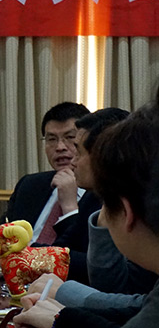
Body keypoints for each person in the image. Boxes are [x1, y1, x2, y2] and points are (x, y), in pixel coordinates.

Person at [13, 92, 159, 327]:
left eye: (77, 149)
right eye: (51, 139)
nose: (71, 159)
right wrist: (61, 316)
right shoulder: (32, 184)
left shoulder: (128, 205)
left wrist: (62, 314)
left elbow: (127, 293)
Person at [51, 108, 130, 284]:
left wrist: (65, 293)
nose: (73, 162)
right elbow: (61, 250)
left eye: (79, 152)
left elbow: (133, 292)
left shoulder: (140, 205)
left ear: (104, 155)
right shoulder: (93, 196)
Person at [0, 102, 90, 244]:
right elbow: (0, 238)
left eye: (70, 137)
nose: (60, 147)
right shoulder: (29, 185)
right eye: (51, 139)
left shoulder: (102, 194)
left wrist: (69, 208)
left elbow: (86, 252)